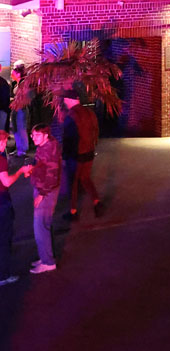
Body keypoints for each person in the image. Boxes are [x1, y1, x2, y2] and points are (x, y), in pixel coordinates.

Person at [60, 91, 103, 222]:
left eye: (65, 100)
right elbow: (96, 131)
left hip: (76, 154)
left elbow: (69, 139)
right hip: (89, 151)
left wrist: (65, 155)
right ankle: (96, 202)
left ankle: (73, 212)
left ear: (69, 99)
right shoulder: (90, 112)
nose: (64, 102)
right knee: (85, 178)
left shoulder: (71, 116)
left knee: (73, 183)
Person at [25, 124, 61, 274]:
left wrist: (41, 194)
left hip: (46, 192)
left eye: (37, 135)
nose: (33, 138)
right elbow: (43, 166)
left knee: (40, 227)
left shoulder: (48, 151)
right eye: (32, 135)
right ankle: (45, 256)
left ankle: (48, 262)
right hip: (44, 189)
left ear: (46, 135)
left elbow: (52, 177)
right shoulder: (46, 146)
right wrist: (32, 169)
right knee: (43, 225)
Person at [0, 129, 32, 285]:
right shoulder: (1, 160)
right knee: (4, 238)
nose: (6, 144)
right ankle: (3, 275)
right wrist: (20, 171)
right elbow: (6, 182)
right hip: (1, 201)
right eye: (4, 142)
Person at [10, 64, 29, 157]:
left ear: (18, 74)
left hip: (21, 109)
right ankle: (19, 148)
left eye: (13, 74)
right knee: (16, 128)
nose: (12, 75)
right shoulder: (18, 83)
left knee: (21, 128)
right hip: (16, 108)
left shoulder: (23, 83)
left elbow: (24, 97)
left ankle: (23, 149)